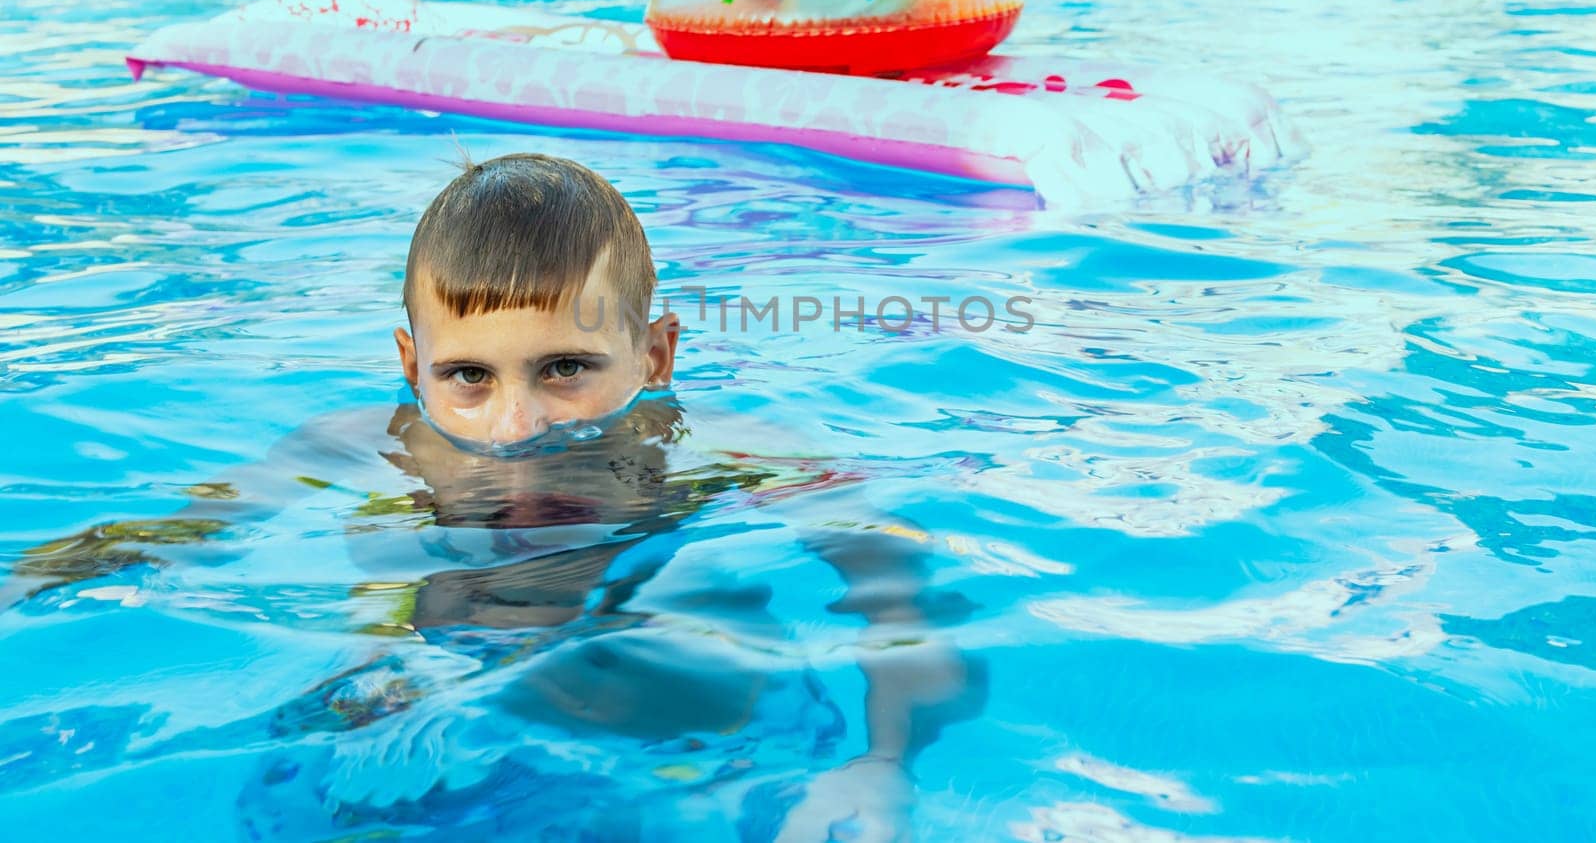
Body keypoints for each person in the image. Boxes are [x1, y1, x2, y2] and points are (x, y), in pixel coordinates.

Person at [6, 152, 983, 841]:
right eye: (467, 376)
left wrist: (883, 761)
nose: (517, 424)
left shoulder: (730, 450)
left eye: (564, 367)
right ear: (411, 362)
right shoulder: (362, 441)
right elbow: (184, 529)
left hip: (689, 730)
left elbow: (896, 575)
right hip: (417, 720)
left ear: (655, 352)